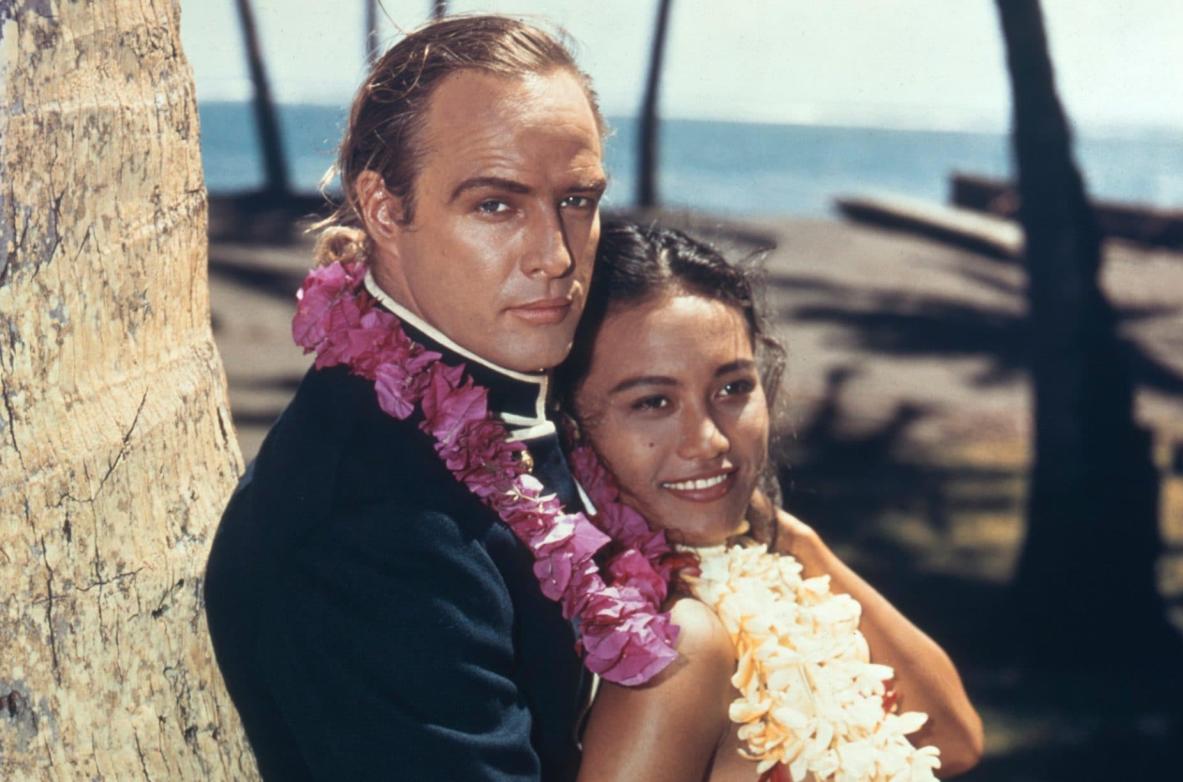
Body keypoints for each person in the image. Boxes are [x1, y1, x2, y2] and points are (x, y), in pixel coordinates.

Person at [204, 16, 613, 780]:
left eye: (578, 201)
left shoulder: (519, 410)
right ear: (386, 210)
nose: (557, 256)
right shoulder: (373, 522)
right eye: (496, 205)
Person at [558, 222, 985, 781]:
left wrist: (790, 537)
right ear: (570, 428)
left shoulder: (764, 567)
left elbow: (951, 738)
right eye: (654, 402)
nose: (710, 439)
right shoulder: (659, 641)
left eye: (734, 388)